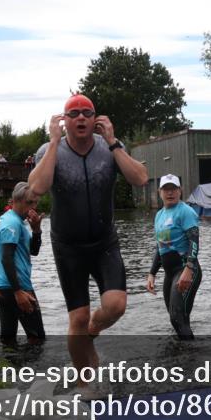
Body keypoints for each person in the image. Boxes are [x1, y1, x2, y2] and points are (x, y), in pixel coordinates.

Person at [28, 94, 148, 375]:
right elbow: (37, 188)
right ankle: (86, 384)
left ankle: (94, 328)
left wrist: (114, 142)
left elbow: (141, 179)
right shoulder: (49, 150)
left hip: (104, 242)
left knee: (116, 305)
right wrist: (55, 142)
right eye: (73, 114)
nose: (80, 117)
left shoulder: (109, 149)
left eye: (86, 112)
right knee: (78, 318)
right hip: (68, 246)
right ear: (63, 121)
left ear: (95, 120)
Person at [146, 174, 202, 340]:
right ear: (160, 192)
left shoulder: (185, 212)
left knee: (177, 318)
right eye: (166, 189)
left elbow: (194, 241)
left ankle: (191, 359)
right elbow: (160, 246)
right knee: (178, 317)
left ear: (180, 191)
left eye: (174, 189)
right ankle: (186, 356)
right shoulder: (159, 215)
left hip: (186, 269)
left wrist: (189, 269)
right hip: (170, 274)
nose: (170, 193)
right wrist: (152, 273)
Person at [0, 181, 46, 346]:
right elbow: (6, 258)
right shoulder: (12, 224)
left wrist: (36, 230)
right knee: (37, 339)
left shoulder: (16, 221)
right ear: (16, 200)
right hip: (16, 288)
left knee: (8, 341)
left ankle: (9, 370)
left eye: (35, 203)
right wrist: (18, 292)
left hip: (2, 288)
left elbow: (33, 251)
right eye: (29, 203)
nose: (33, 207)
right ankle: (33, 371)